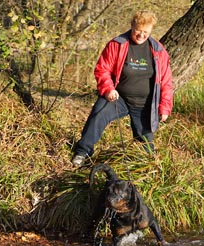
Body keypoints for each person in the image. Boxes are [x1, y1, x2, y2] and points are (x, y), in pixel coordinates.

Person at [71, 10, 173, 168]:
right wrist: (108, 89)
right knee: (98, 115)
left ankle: (141, 168)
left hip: (145, 104)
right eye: (138, 30)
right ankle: (82, 152)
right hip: (119, 98)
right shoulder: (117, 44)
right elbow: (102, 70)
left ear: (151, 31)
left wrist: (164, 107)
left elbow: (166, 82)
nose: (141, 35)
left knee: (146, 149)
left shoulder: (158, 50)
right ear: (132, 25)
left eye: (146, 32)